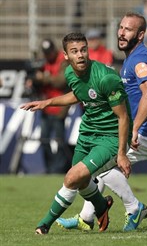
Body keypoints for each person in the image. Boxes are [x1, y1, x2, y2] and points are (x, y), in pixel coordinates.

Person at [56, 12, 147, 232]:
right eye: (121, 27)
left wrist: (135, 128)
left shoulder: (140, 60)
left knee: (102, 166)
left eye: (128, 29)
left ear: (141, 34)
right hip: (145, 129)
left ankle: (133, 208)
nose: (121, 32)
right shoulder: (133, 56)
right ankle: (86, 218)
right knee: (97, 169)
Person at [20, 32, 132, 234]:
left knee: (72, 177)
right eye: (74, 51)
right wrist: (47, 102)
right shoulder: (70, 74)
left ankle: (44, 225)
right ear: (65, 55)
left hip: (109, 137)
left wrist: (122, 153)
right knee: (80, 182)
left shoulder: (106, 78)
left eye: (83, 50)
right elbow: (78, 94)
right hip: (87, 132)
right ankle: (101, 207)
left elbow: (123, 117)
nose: (80, 55)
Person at [24, 39, 70, 174]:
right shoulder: (42, 63)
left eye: (49, 53)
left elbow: (61, 81)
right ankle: (50, 168)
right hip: (45, 107)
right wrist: (33, 80)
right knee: (44, 139)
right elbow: (35, 78)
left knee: (59, 141)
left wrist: (43, 77)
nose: (47, 56)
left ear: (54, 51)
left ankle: (59, 169)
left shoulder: (63, 61)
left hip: (59, 106)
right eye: (45, 53)